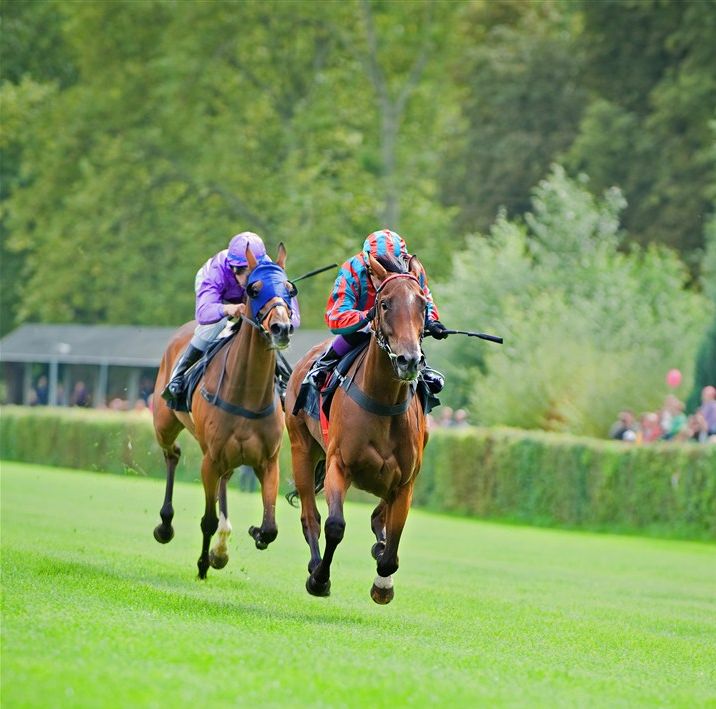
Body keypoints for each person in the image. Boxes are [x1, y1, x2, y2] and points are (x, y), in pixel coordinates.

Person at [303, 229, 448, 393]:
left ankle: (423, 368)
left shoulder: (413, 270)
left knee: (410, 334)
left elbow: (424, 300)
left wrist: (432, 321)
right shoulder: (352, 270)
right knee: (361, 331)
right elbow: (335, 316)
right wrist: (368, 315)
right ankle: (325, 364)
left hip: (397, 327)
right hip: (361, 325)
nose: (383, 277)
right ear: (367, 264)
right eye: (377, 270)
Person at [162, 231, 300, 402]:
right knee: (216, 325)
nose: (248, 279)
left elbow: (293, 316)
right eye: (245, 273)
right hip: (219, 296)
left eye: (253, 273)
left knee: (264, 326)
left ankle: (284, 379)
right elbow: (204, 313)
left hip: (247, 299)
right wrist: (227, 309)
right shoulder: (216, 272)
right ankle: (178, 376)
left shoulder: (269, 269)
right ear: (232, 267)